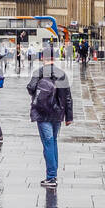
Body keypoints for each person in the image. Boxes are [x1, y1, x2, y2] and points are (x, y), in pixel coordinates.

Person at [27, 58, 74, 188]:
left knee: (48, 143)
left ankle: (51, 177)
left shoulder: (39, 72)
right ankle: (53, 174)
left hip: (42, 113)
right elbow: (68, 97)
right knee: (53, 142)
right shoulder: (61, 73)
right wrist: (69, 117)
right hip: (57, 113)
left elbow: (30, 88)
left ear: (44, 59)